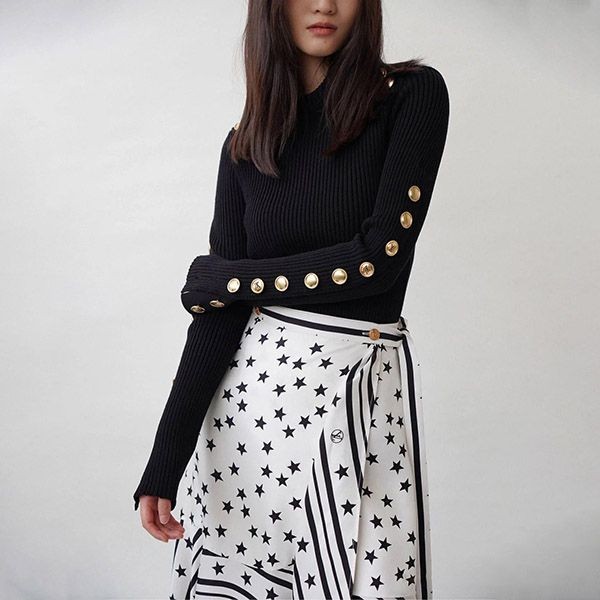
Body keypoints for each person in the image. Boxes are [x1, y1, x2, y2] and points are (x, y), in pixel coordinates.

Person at [133, 1, 449, 598]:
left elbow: (377, 263)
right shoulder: (245, 144)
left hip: (351, 395)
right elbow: (217, 321)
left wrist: (234, 280)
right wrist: (165, 459)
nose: (324, 4)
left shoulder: (408, 96)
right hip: (245, 420)